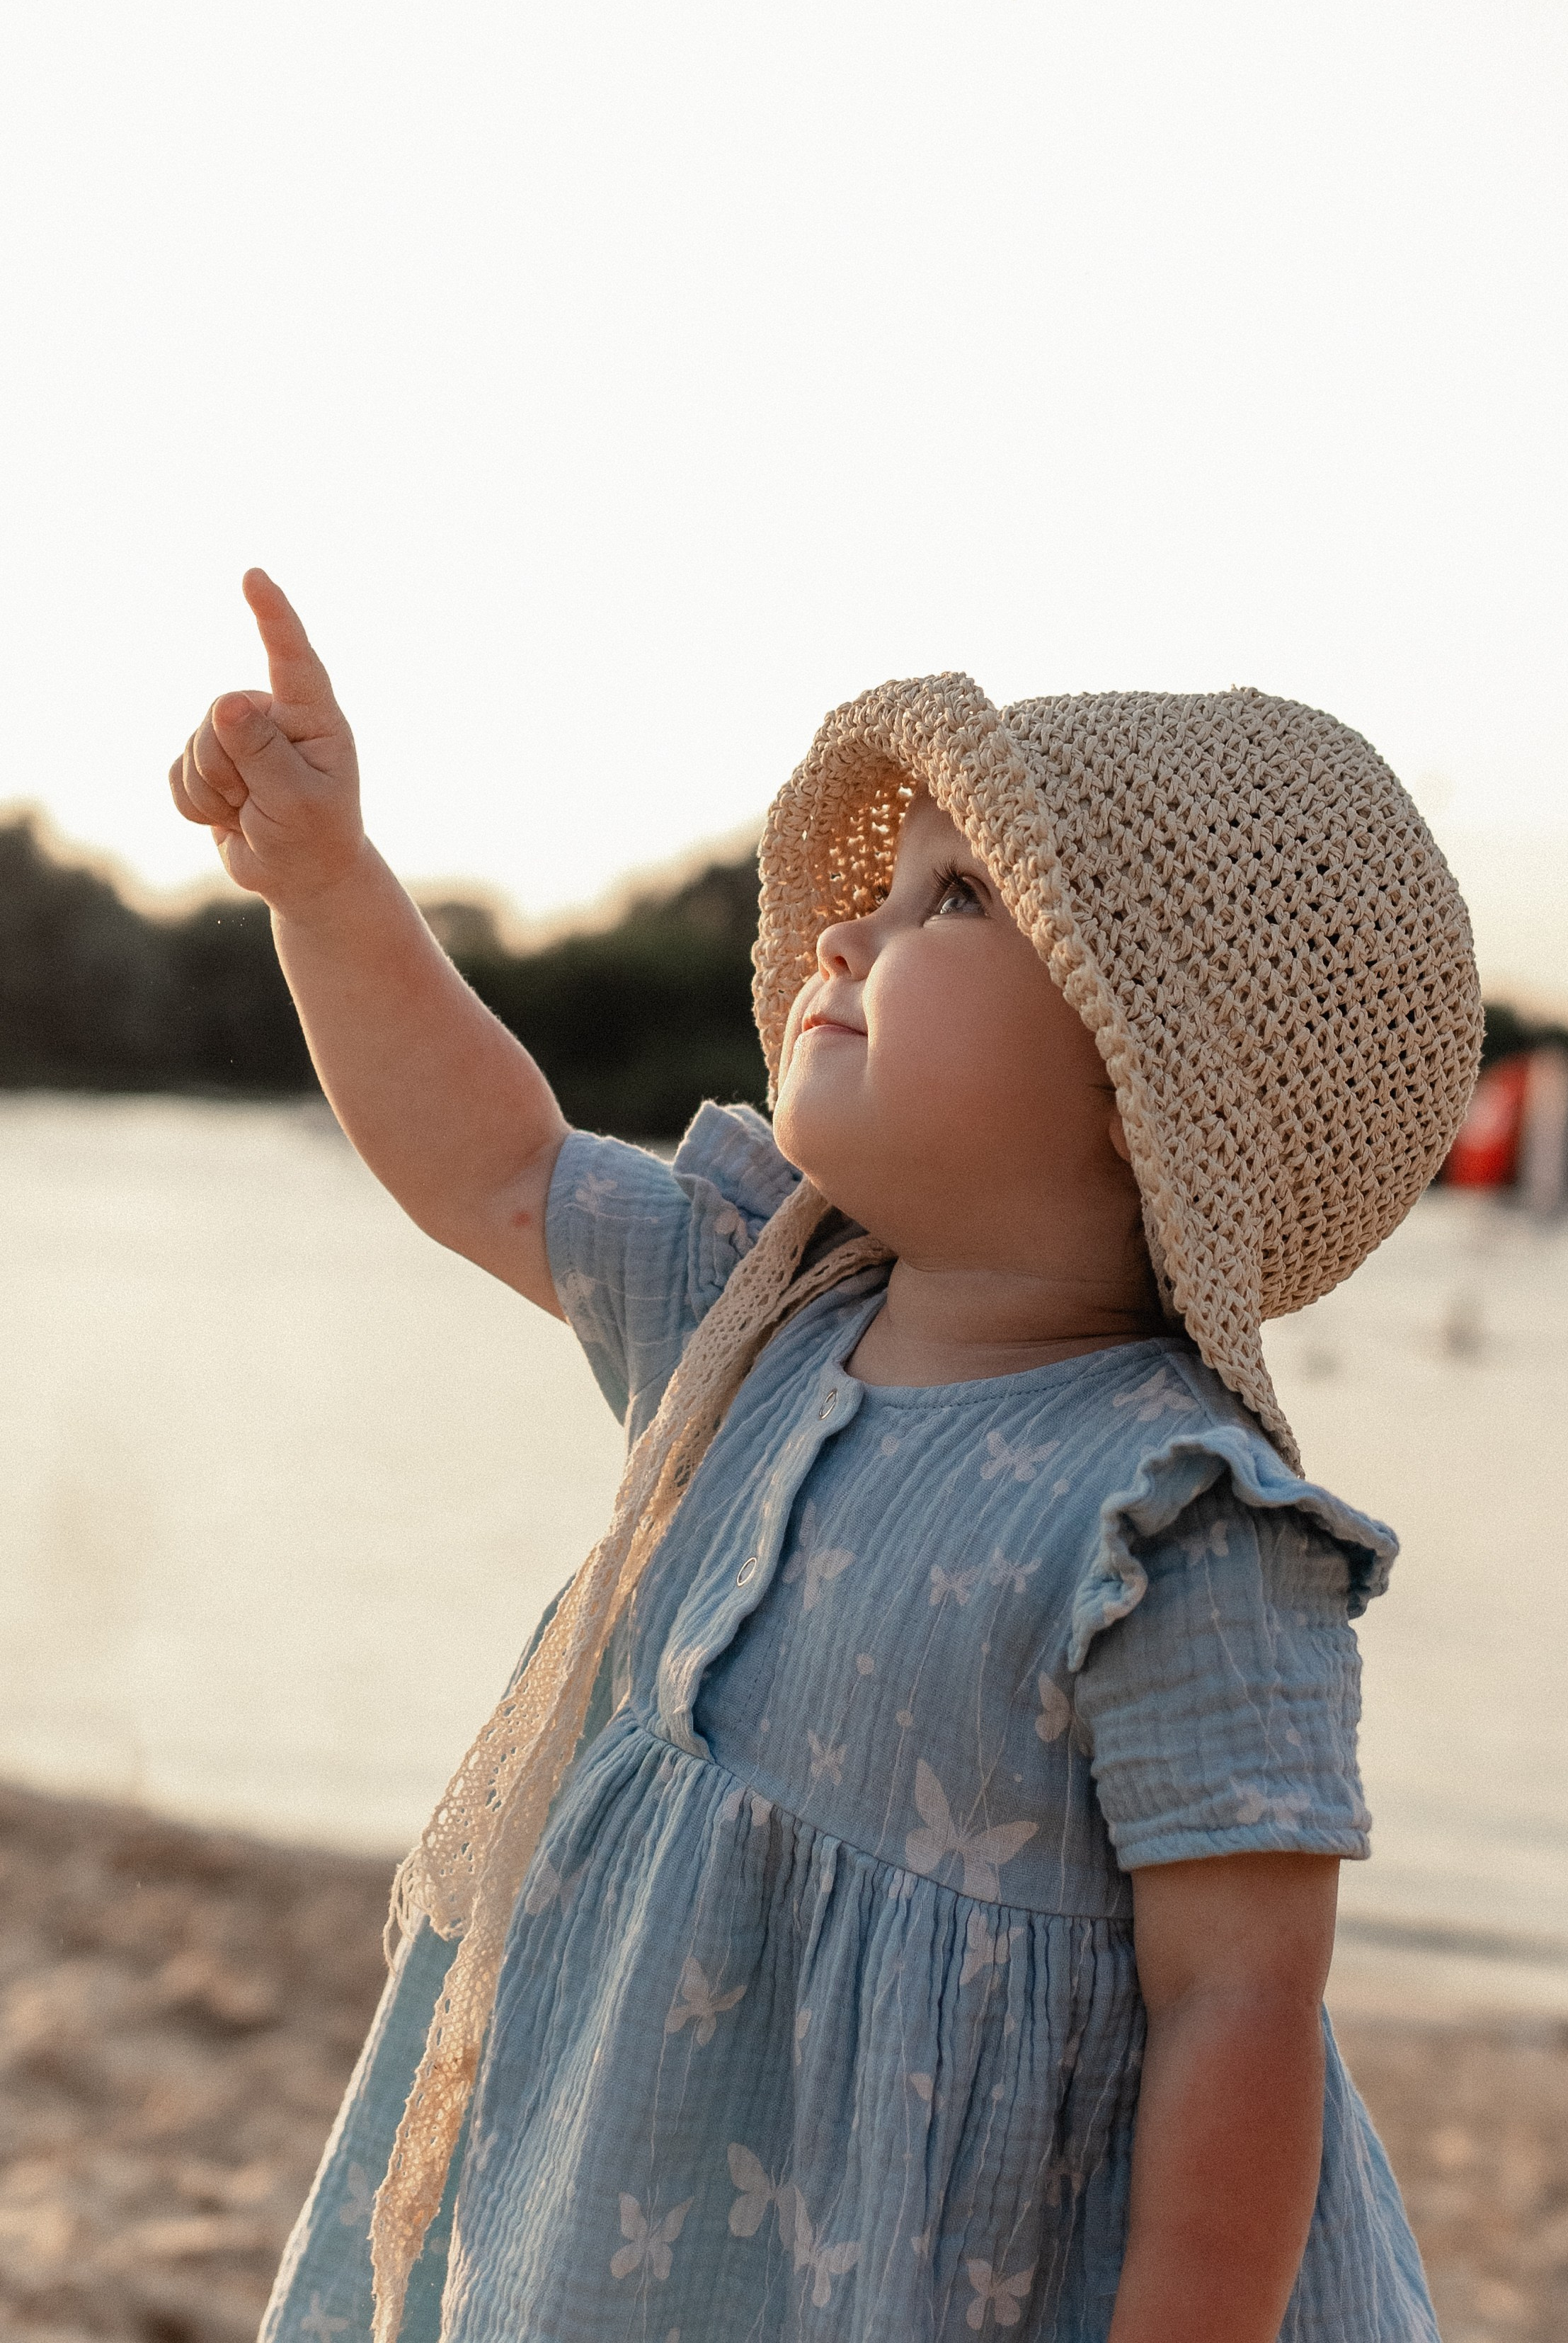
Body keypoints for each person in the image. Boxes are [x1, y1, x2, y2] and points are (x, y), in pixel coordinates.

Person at [169, 570, 1482, 2343]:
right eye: (885, 887)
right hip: (623, 2204)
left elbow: (1240, 2009)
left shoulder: (1173, 1522)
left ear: (1141, 1085)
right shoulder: (757, 1308)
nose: (852, 934)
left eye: (956, 900)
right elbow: (497, 1164)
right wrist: (326, 886)